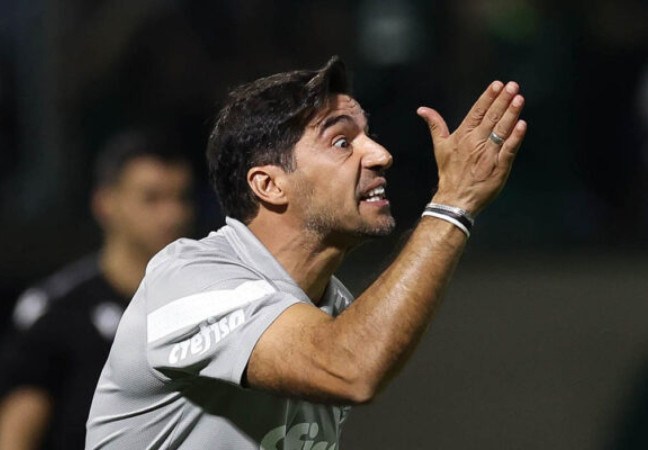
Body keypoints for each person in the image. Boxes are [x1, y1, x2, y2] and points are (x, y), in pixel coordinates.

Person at [85, 56, 527, 449]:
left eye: (368, 136)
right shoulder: (187, 279)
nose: (380, 155)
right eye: (341, 142)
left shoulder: (334, 308)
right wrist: (452, 205)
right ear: (269, 185)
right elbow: (351, 366)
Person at [0, 129, 194, 450]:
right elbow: (16, 434)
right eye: (152, 199)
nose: (172, 215)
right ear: (105, 203)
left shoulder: (205, 300)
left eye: (181, 197)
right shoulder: (58, 311)